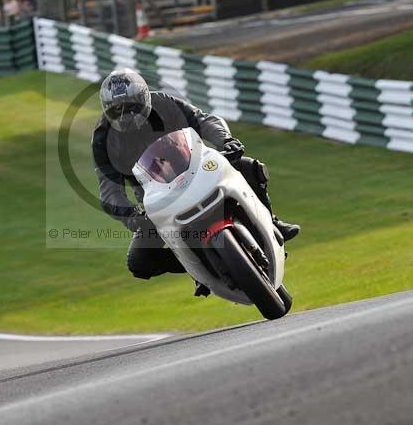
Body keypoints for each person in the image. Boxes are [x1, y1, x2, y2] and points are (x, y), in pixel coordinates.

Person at [92, 69, 300, 289]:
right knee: (139, 262)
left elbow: (202, 120)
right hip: (156, 194)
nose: (127, 115)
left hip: (196, 167)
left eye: (132, 106)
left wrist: (226, 141)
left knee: (247, 166)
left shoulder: (163, 102)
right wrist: (130, 215)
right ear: (106, 110)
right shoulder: (102, 139)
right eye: (117, 111)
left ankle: (272, 223)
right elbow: (109, 191)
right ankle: (198, 266)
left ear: (145, 98)